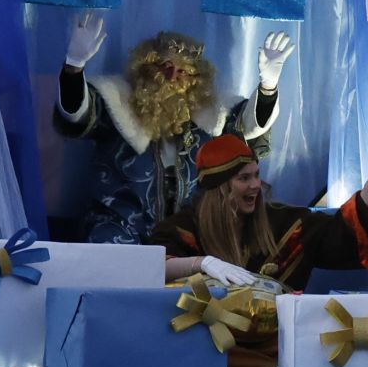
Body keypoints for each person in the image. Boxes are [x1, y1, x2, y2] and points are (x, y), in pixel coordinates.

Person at [56, 12, 293, 244]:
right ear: (146, 68)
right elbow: (78, 113)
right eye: (164, 66)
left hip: (191, 228)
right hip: (121, 224)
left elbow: (250, 128)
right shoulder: (117, 103)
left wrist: (268, 85)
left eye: (184, 71)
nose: (173, 77)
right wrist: (74, 67)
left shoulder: (213, 114)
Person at [152, 131, 368, 292]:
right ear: (219, 188)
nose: (255, 185)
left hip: (277, 347)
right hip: (208, 348)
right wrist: (201, 263)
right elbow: (153, 268)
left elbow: (341, 231)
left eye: (257, 175)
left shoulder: (285, 224)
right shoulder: (182, 229)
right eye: (244, 178)